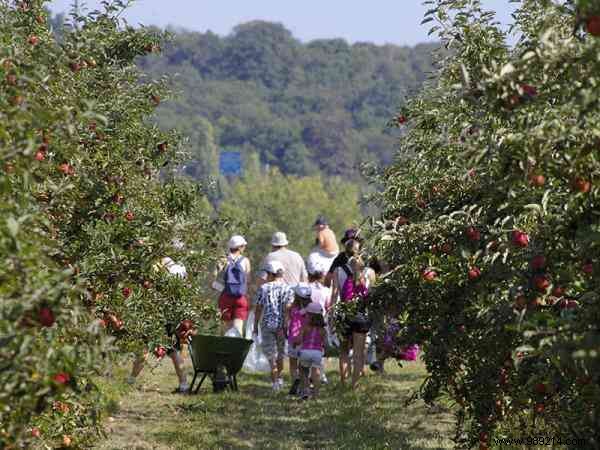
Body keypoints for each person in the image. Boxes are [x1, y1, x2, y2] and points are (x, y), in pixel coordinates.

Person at [127, 255, 193, 394]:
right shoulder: (181, 270)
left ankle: (130, 381)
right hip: (173, 315)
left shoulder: (164, 272)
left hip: (159, 315)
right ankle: (184, 385)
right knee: (174, 351)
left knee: (145, 348)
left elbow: (152, 292)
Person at [331, 239, 376, 389]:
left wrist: (331, 315)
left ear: (345, 253)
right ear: (361, 252)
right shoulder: (369, 273)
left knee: (343, 351)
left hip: (344, 315)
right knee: (358, 353)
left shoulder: (338, 270)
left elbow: (334, 295)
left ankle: (344, 383)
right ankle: (355, 386)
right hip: (361, 316)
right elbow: (372, 296)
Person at [253, 260, 295, 392]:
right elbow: (288, 309)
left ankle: (275, 380)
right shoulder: (288, 288)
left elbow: (258, 308)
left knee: (271, 354)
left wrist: (255, 326)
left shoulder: (263, 288)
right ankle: (279, 377)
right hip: (282, 325)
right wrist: (287, 325)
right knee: (281, 353)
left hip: (267, 324)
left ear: (270, 274)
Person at [217, 235, 251, 336]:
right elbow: (248, 280)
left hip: (226, 297)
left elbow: (212, 280)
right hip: (240, 297)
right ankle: (237, 349)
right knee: (238, 327)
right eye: (244, 246)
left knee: (225, 327)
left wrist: (222, 288)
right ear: (240, 247)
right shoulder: (246, 261)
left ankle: (223, 349)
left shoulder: (223, 259)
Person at [306, 260, 333, 384]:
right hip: (321, 323)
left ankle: (307, 376)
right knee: (319, 349)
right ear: (322, 275)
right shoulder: (326, 291)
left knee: (307, 347)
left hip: (306, 323)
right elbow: (328, 308)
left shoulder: (306, 289)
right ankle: (320, 375)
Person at [297, 302, 327, 400]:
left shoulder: (305, 327)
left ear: (309, 316)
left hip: (305, 351)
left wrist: (294, 343)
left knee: (303, 370)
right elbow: (326, 344)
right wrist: (325, 350)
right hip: (317, 353)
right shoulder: (323, 330)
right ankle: (316, 394)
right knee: (316, 373)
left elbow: (299, 339)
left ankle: (306, 389)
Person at [287, 284, 312, 396]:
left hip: (293, 339)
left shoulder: (292, 308)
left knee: (293, 364)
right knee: (304, 367)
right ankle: (304, 387)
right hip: (306, 341)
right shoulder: (312, 310)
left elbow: (288, 320)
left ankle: (295, 381)